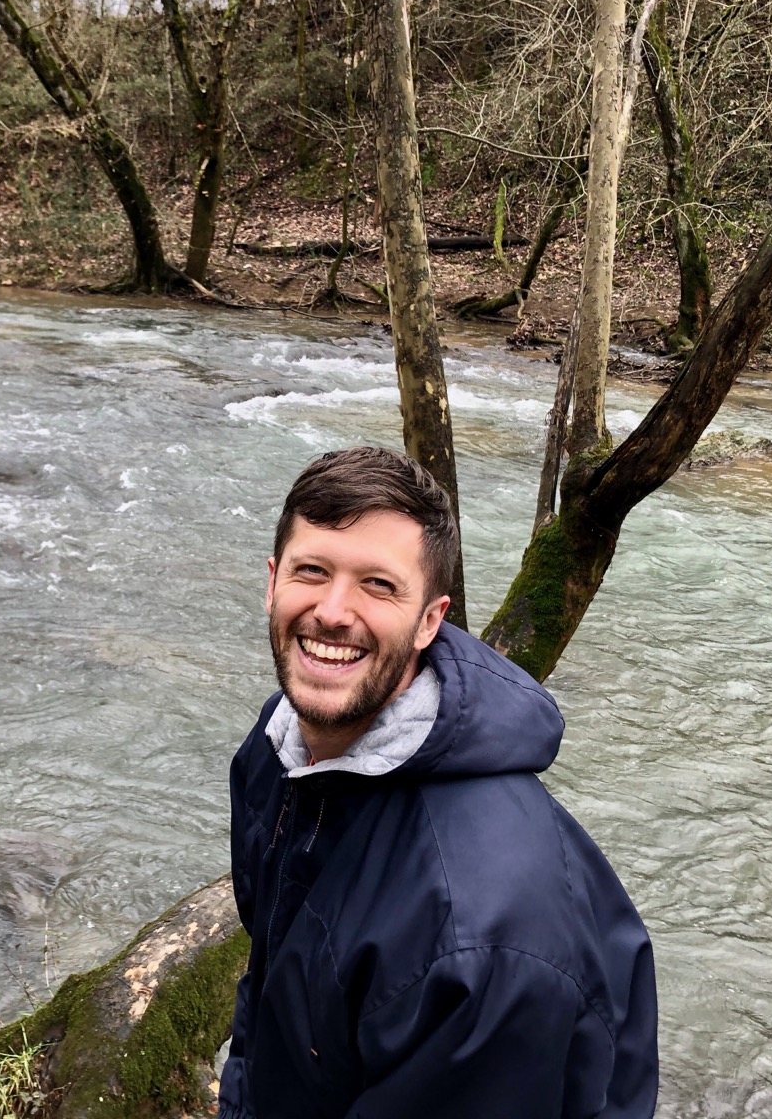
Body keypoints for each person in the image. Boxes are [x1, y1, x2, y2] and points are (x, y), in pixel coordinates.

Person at [218, 446, 658, 1118]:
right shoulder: (275, 752)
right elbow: (269, 989)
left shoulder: (475, 930)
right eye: (313, 571)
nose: (334, 611)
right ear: (272, 581)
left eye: (378, 585)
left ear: (431, 619)